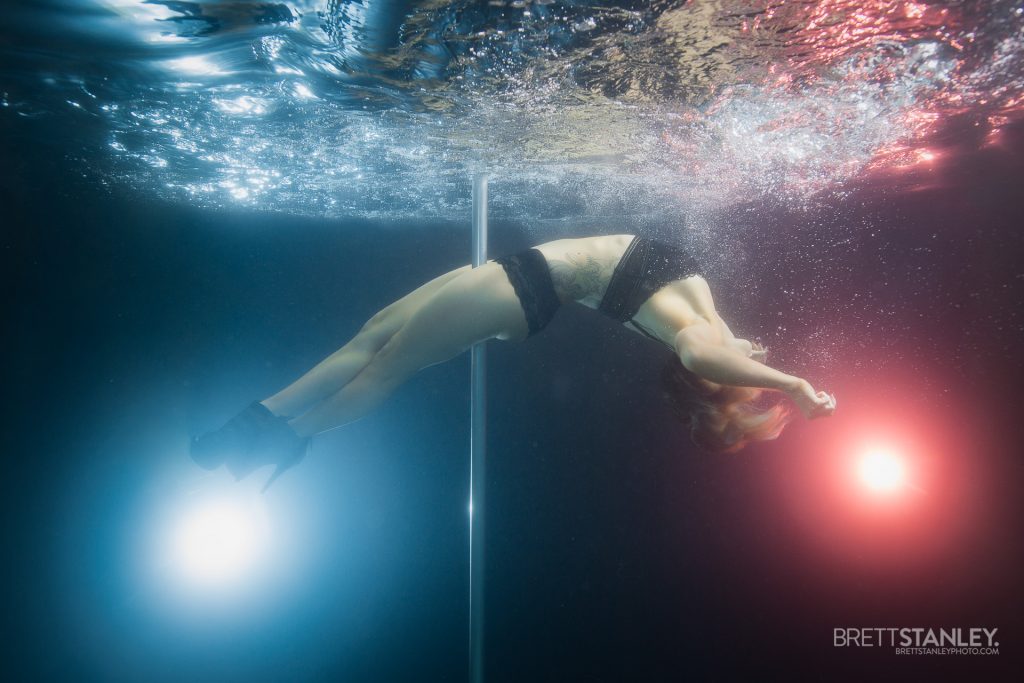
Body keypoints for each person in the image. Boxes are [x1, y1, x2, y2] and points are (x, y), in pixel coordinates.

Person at [191, 234, 836, 490]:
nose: (761, 358)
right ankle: (259, 423)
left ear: (719, 380)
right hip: (519, 278)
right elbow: (715, 358)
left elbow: (706, 357)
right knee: (375, 333)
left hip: (520, 290)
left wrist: (795, 385)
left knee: (388, 363)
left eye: (744, 384)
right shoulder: (706, 310)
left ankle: (286, 438)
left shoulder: (698, 338)